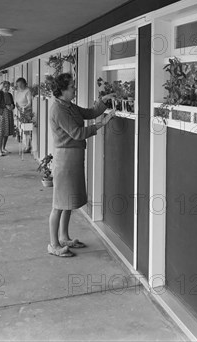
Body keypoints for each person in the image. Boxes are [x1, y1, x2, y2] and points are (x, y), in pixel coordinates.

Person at [47, 72, 116, 257]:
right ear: (62, 90)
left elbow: (88, 113)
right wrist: (100, 124)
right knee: (59, 203)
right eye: (71, 87)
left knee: (68, 201)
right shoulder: (58, 110)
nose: (74, 89)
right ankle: (53, 245)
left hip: (75, 156)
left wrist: (103, 101)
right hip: (65, 158)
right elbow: (77, 133)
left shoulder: (68, 105)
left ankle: (64, 237)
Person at [0, 81, 15, 156]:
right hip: (0, 114)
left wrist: (12, 106)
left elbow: (13, 104)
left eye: (8, 86)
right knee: (0, 132)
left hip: (8, 114)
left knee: (6, 132)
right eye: (5, 86)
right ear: (2, 87)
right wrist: (5, 106)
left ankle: (3, 148)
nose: (7, 88)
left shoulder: (9, 94)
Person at [13, 77, 33, 153]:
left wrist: (24, 108)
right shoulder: (18, 91)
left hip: (27, 112)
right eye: (18, 84)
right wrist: (18, 107)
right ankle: (27, 144)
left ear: (24, 83)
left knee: (27, 129)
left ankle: (28, 146)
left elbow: (29, 102)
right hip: (21, 112)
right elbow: (17, 101)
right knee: (24, 129)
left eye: (21, 84)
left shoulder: (27, 91)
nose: (19, 86)